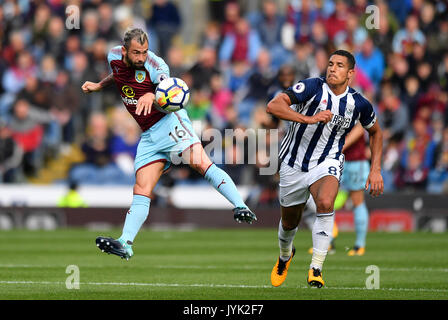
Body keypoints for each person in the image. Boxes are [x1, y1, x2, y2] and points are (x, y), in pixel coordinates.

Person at [81, 28, 256, 260]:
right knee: (141, 188)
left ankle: (240, 205)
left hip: (169, 122)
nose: (141, 57)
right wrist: (99, 85)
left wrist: (151, 96)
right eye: (136, 53)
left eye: (144, 51)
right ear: (124, 51)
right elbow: (119, 75)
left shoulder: (157, 65)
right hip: (149, 135)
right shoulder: (113, 56)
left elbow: (169, 91)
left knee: (200, 164)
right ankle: (125, 243)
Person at [266, 50, 383, 288]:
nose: (332, 68)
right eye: (330, 64)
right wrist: (309, 119)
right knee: (289, 223)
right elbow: (273, 105)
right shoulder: (312, 87)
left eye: (339, 65)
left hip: (327, 161)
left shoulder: (358, 103)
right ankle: (285, 256)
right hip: (293, 162)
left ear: (350, 73)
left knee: (326, 202)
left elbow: (376, 132)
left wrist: (376, 169)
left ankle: (316, 268)